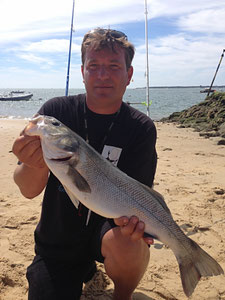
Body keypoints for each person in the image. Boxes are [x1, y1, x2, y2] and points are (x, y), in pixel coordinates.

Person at [12, 28, 157, 300]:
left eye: (113, 66)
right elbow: (27, 189)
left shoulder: (141, 128)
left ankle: (122, 295)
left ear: (129, 75)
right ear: (82, 72)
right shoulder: (56, 112)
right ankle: (85, 272)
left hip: (108, 233)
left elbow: (139, 195)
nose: (102, 75)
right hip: (56, 241)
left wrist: (138, 228)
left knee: (128, 244)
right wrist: (33, 164)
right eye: (94, 66)